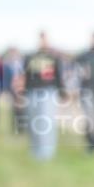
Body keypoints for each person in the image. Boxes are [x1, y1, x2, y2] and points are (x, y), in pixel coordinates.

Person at [21, 32, 65, 161]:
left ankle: (46, 152)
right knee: (33, 121)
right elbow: (26, 76)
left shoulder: (53, 57)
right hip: (32, 92)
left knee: (46, 122)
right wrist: (24, 91)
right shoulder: (30, 57)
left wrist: (62, 93)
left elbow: (58, 77)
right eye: (41, 39)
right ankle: (35, 149)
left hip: (48, 92)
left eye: (45, 39)